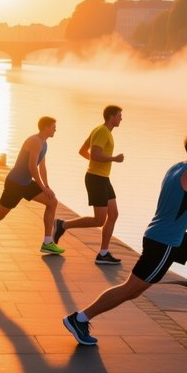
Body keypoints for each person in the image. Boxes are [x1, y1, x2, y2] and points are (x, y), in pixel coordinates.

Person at [62, 132, 187, 346]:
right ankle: (80, 318)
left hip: (170, 236)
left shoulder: (176, 168)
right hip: (164, 243)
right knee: (131, 290)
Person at [0, 116, 64, 259]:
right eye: (53, 127)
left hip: (26, 183)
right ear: (46, 127)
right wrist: (43, 187)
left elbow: (42, 167)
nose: (55, 129)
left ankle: (47, 242)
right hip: (15, 184)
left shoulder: (44, 144)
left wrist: (47, 186)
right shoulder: (35, 141)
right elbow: (32, 167)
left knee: (52, 201)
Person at [54, 105, 124, 264]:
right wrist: (113, 159)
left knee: (113, 214)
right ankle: (62, 225)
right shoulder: (102, 131)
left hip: (103, 178)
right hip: (96, 179)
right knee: (99, 220)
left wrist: (95, 163)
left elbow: (83, 151)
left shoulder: (100, 130)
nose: (121, 118)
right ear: (111, 117)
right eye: (119, 115)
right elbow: (95, 154)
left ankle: (103, 253)